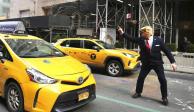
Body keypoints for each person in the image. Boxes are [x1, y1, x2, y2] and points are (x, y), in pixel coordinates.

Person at [118, 26, 177, 106]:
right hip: (146, 63)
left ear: (147, 33)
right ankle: (138, 92)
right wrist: (122, 33)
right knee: (141, 77)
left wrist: (172, 62)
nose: (141, 34)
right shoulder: (141, 40)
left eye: (142, 33)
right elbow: (132, 39)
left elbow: (167, 51)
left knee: (162, 80)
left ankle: (164, 97)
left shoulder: (159, 40)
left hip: (157, 64)